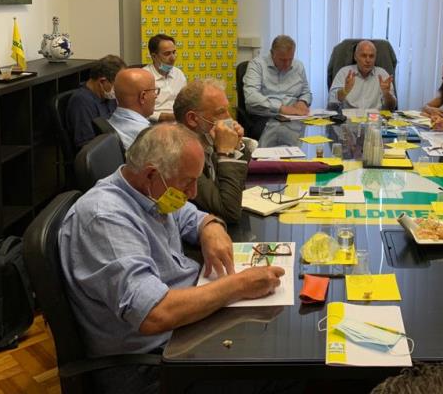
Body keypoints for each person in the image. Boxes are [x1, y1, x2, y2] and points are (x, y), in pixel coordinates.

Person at [59, 124, 284, 393]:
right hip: (150, 365)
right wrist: (239, 285)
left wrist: (210, 227)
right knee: (281, 371)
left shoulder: (149, 191)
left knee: (273, 341)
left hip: (181, 331)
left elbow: (189, 215)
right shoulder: (105, 219)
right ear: (151, 174)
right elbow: (154, 314)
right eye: (188, 182)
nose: (193, 193)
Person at [174, 79, 250, 225]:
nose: (229, 118)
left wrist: (236, 147)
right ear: (192, 119)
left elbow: (236, 189)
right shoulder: (180, 154)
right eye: (221, 112)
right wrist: (226, 154)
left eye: (228, 110)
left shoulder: (207, 141)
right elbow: (229, 211)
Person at [243, 35, 312, 136]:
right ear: (272, 53)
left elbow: (306, 92)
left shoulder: (298, 66)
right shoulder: (257, 65)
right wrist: (281, 108)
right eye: (282, 60)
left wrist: (303, 102)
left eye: (290, 59)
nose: (287, 64)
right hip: (267, 117)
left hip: (294, 118)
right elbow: (251, 97)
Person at [66, 54, 126, 149]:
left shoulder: (107, 97)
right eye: (117, 85)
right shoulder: (81, 102)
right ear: (102, 82)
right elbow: (86, 144)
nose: (119, 90)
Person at [329, 40, 396, 110]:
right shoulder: (344, 73)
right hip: (349, 115)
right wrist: (345, 90)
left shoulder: (383, 74)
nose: (368, 60)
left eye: (371, 56)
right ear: (355, 57)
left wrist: (387, 94)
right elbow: (332, 102)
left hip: (375, 116)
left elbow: (391, 107)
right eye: (364, 56)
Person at [108, 68, 157, 149]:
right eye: (154, 91)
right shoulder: (146, 135)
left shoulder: (112, 120)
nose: (155, 96)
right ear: (143, 97)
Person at [143, 33, 187, 122]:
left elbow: (185, 102)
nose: (173, 58)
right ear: (154, 56)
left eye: (174, 52)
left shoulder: (178, 74)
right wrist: (164, 117)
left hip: (178, 123)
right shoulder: (144, 77)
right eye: (167, 54)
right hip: (154, 124)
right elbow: (139, 111)